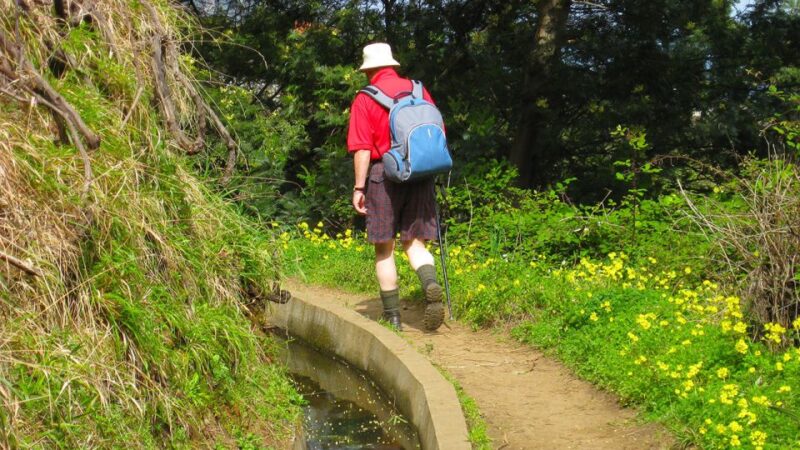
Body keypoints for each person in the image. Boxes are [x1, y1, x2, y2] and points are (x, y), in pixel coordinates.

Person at [347, 42, 445, 332]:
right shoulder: (418, 90)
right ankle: (429, 283)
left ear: (369, 70)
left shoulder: (365, 98)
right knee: (415, 243)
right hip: (419, 173)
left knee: (384, 249)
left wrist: (359, 188)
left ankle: (393, 319)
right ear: (391, 64)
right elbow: (437, 132)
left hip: (384, 176)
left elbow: (363, 148)